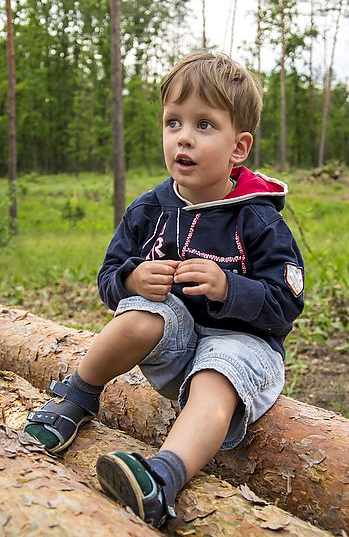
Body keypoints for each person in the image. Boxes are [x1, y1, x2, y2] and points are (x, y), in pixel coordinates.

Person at [24, 51, 304, 528]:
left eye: (204, 125)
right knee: (140, 312)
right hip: (176, 345)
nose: (184, 137)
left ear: (238, 148)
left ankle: (161, 479)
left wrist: (229, 287)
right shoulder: (150, 208)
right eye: (173, 122)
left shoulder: (257, 217)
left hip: (243, 347)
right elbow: (109, 277)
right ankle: (76, 398)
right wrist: (131, 278)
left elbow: (287, 302)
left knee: (218, 374)